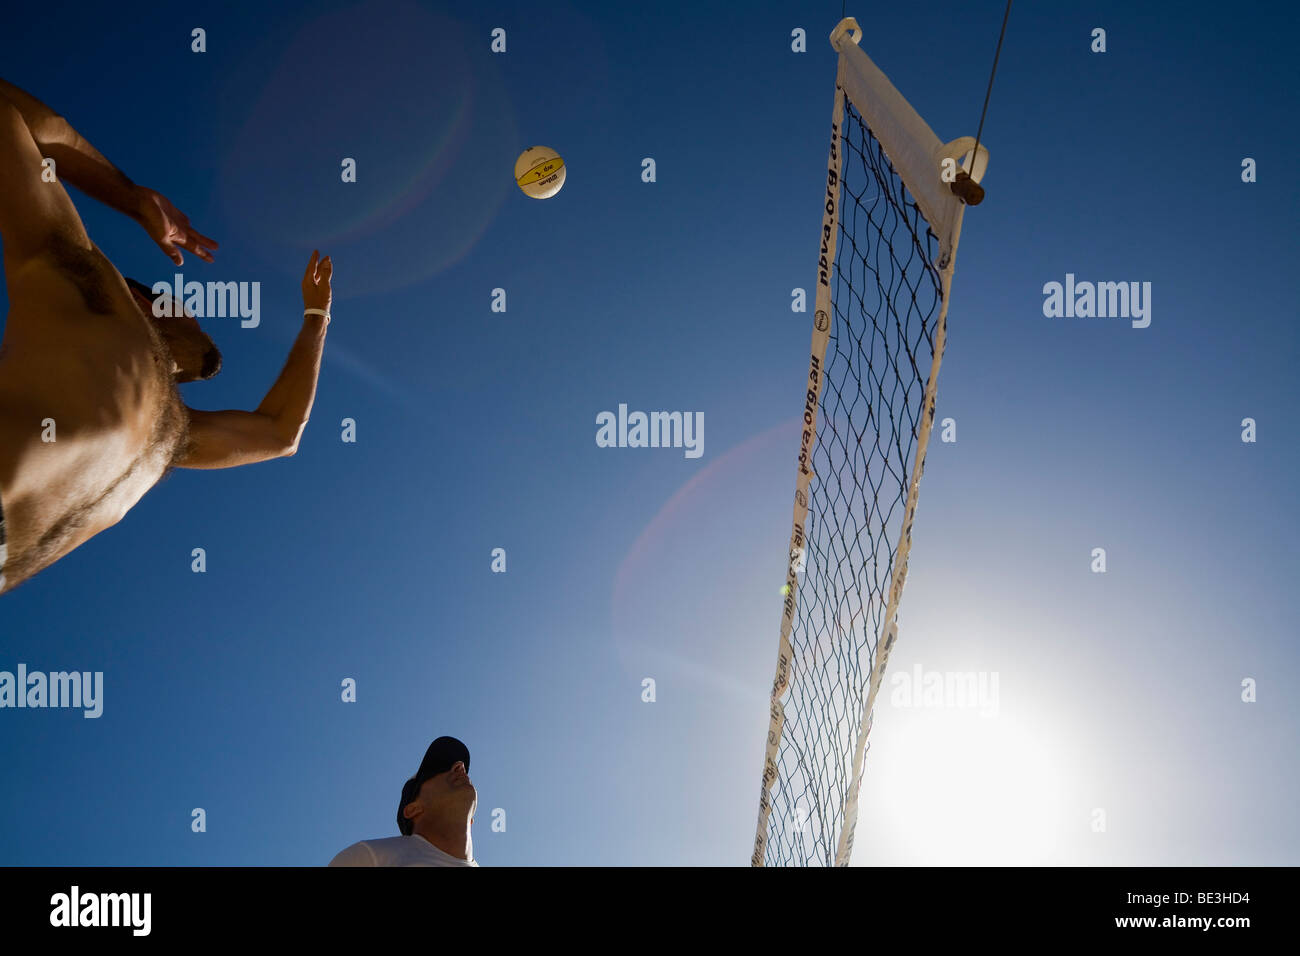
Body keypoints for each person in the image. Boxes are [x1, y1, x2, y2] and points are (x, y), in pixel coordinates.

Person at [0, 76, 332, 595]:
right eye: (182, 305)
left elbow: (281, 432)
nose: (196, 315)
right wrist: (129, 196)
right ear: (140, 300)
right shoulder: (83, 277)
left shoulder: (176, 436)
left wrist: (317, 317)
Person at [330, 736, 479, 867]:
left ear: (471, 820)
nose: (460, 767)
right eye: (437, 770)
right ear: (413, 809)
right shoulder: (371, 857)